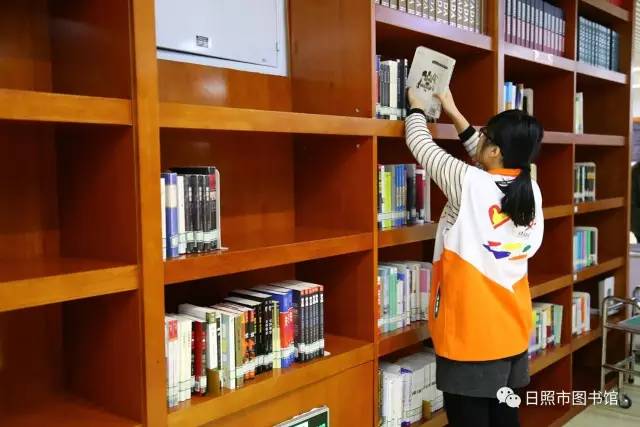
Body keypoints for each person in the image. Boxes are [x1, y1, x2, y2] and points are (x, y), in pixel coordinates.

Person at [406, 87, 544, 427]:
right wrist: (453, 111)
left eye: (485, 135)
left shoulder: (468, 183)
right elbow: (485, 166)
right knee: (504, 419)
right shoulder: (528, 188)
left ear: (495, 150)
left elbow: (420, 144)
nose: (478, 137)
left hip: (471, 336)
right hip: (511, 332)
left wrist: (416, 108)